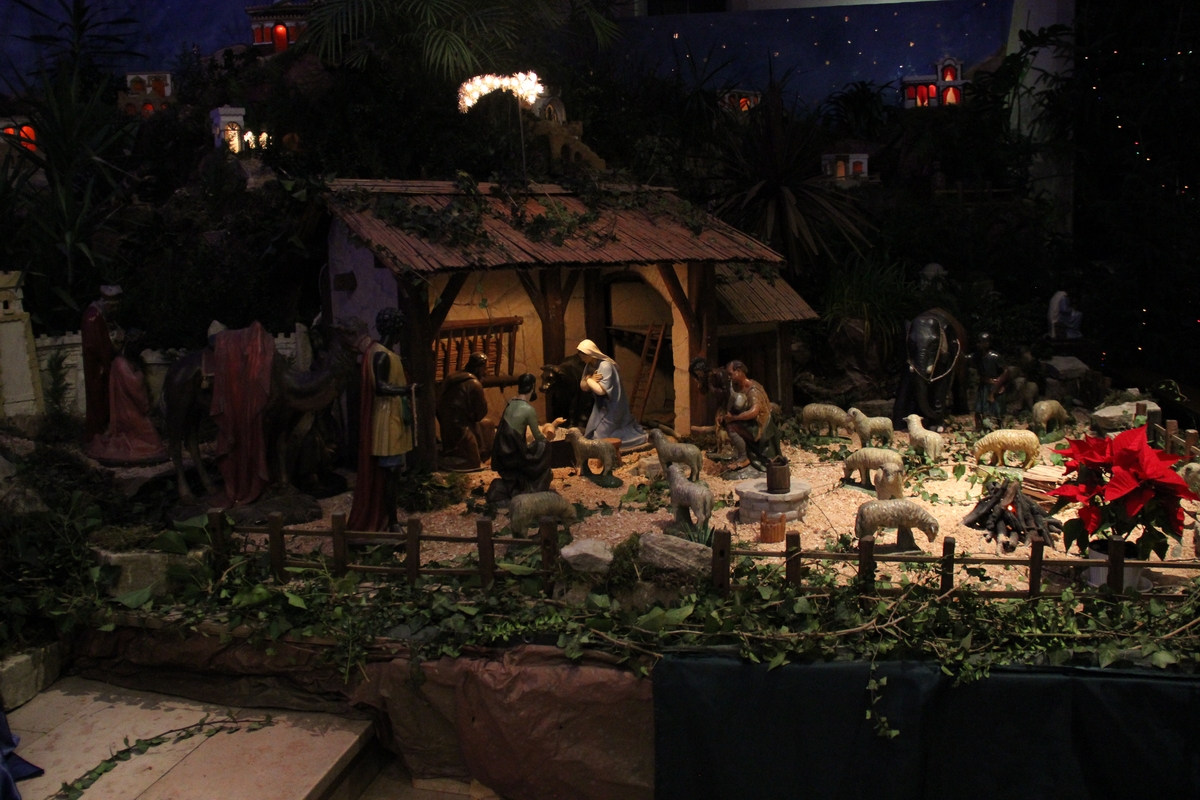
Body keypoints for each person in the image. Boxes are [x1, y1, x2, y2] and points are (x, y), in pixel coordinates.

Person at [347, 308, 419, 532]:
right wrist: (408, 389)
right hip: (387, 420)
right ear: (396, 329)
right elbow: (380, 387)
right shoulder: (381, 355)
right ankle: (392, 523)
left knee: (393, 474)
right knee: (391, 474)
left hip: (393, 417)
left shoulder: (384, 353)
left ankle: (388, 518)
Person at [87, 329, 167, 465]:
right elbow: (133, 385)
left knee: (153, 439)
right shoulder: (121, 363)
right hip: (127, 409)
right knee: (151, 440)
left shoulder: (123, 361)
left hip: (130, 407)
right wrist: (140, 375)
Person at [487, 373, 553, 504]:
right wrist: (549, 436)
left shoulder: (510, 403)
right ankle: (534, 482)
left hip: (502, 454)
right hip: (515, 455)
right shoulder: (529, 410)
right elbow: (538, 437)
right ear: (532, 387)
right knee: (545, 445)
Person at [577, 339, 647, 448]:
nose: (582, 359)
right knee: (590, 434)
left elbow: (600, 391)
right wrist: (589, 380)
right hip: (600, 407)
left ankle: (636, 439)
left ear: (591, 354)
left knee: (600, 439)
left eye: (584, 356)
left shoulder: (605, 366)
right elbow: (583, 387)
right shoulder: (589, 366)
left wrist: (589, 380)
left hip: (612, 407)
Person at [718, 360, 780, 471]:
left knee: (731, 427)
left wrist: (733, 418)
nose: (729, 377)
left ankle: (743, 458)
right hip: (751, 422)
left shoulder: (753, 390)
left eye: (731, 374)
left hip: (760, 426)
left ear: (738, 371)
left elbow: (754, 412)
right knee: (727, 422)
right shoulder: (739, 387)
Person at [81, 285, 124, 441]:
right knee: (98, 398)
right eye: (113, 306)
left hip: (103, 365)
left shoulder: (103, 316)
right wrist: (113, 346)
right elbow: (95, 346)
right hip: (97, 368)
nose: (115, 309)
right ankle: (98, 432)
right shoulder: (93, 317)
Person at [437, 352, 492, 472]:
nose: (486, 372)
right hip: (458, 425)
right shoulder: (474, 383)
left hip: (447, 422)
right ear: (479, 368)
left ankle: (482, 453)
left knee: (487, 424)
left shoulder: (453, 376)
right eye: (485, 368)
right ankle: (441, 462)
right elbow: (481, 412)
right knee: (472, 462)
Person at [965, 332, 1008, 431]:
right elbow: (966, 358)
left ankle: (1000, 428)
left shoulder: (995, 357)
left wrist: (998, 384)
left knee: (997, 411)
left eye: (981, 342)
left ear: (987, 343)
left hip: (994, 385)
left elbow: (1006, 371)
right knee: (979, 409)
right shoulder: (977, 356)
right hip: (984, 385)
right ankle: (979, 429)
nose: (978, 344)